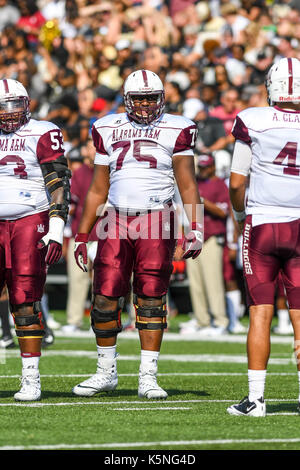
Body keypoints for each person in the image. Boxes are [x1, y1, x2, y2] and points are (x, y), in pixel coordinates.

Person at [72, 69, 203, 399]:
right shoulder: (106, 126)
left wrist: (196, 226)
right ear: (127, 99)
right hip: (115, 217)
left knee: (151, 297)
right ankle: (106, 372)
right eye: (139, 98)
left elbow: (188, 184)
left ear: (162, 98)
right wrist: (81, 233)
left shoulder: (179, 127)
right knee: (104, 296)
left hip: (158, 218)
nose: (145, 105)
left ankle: (148, 375)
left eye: (151, 98)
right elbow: (97, 188)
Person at [227, 57, 300, 417]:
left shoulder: (254, 119)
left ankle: (256, 400)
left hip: (263, 225)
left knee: (260, 312)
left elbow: (237, 181)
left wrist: (240, 215)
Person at [0, 78, 70, 401]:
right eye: (4, 107)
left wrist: (56, 227)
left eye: (16, 106)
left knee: (25, 298)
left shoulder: (43, 132)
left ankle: (31, 379)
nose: (10, 114)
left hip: (30, 217)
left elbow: (58, 180)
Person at [180, 153, 229, 336]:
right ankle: (202, 321)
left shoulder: (219, 185)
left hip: (211, 239)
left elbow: (223, 211)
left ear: (214, 166)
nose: (203, 171)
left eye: (206, 167)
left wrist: (202, 201)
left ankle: (220, 321)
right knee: (196, 283)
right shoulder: (195, 183)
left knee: (213, 282)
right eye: (200, 168)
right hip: (194, 239)